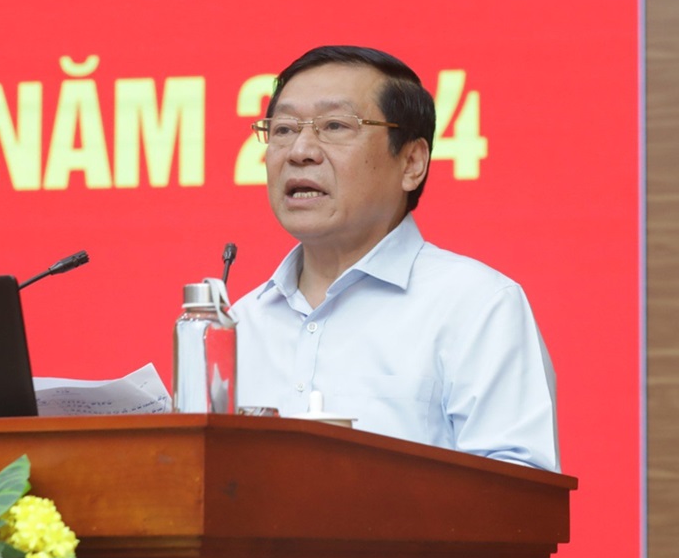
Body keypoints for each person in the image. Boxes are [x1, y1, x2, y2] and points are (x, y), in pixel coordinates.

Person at [232, 45, 560, 472]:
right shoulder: (239, 325)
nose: (300, 151)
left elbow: (519, 493)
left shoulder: (477, 306)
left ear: (411, 162)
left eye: (335, 125)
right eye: (283, 129)